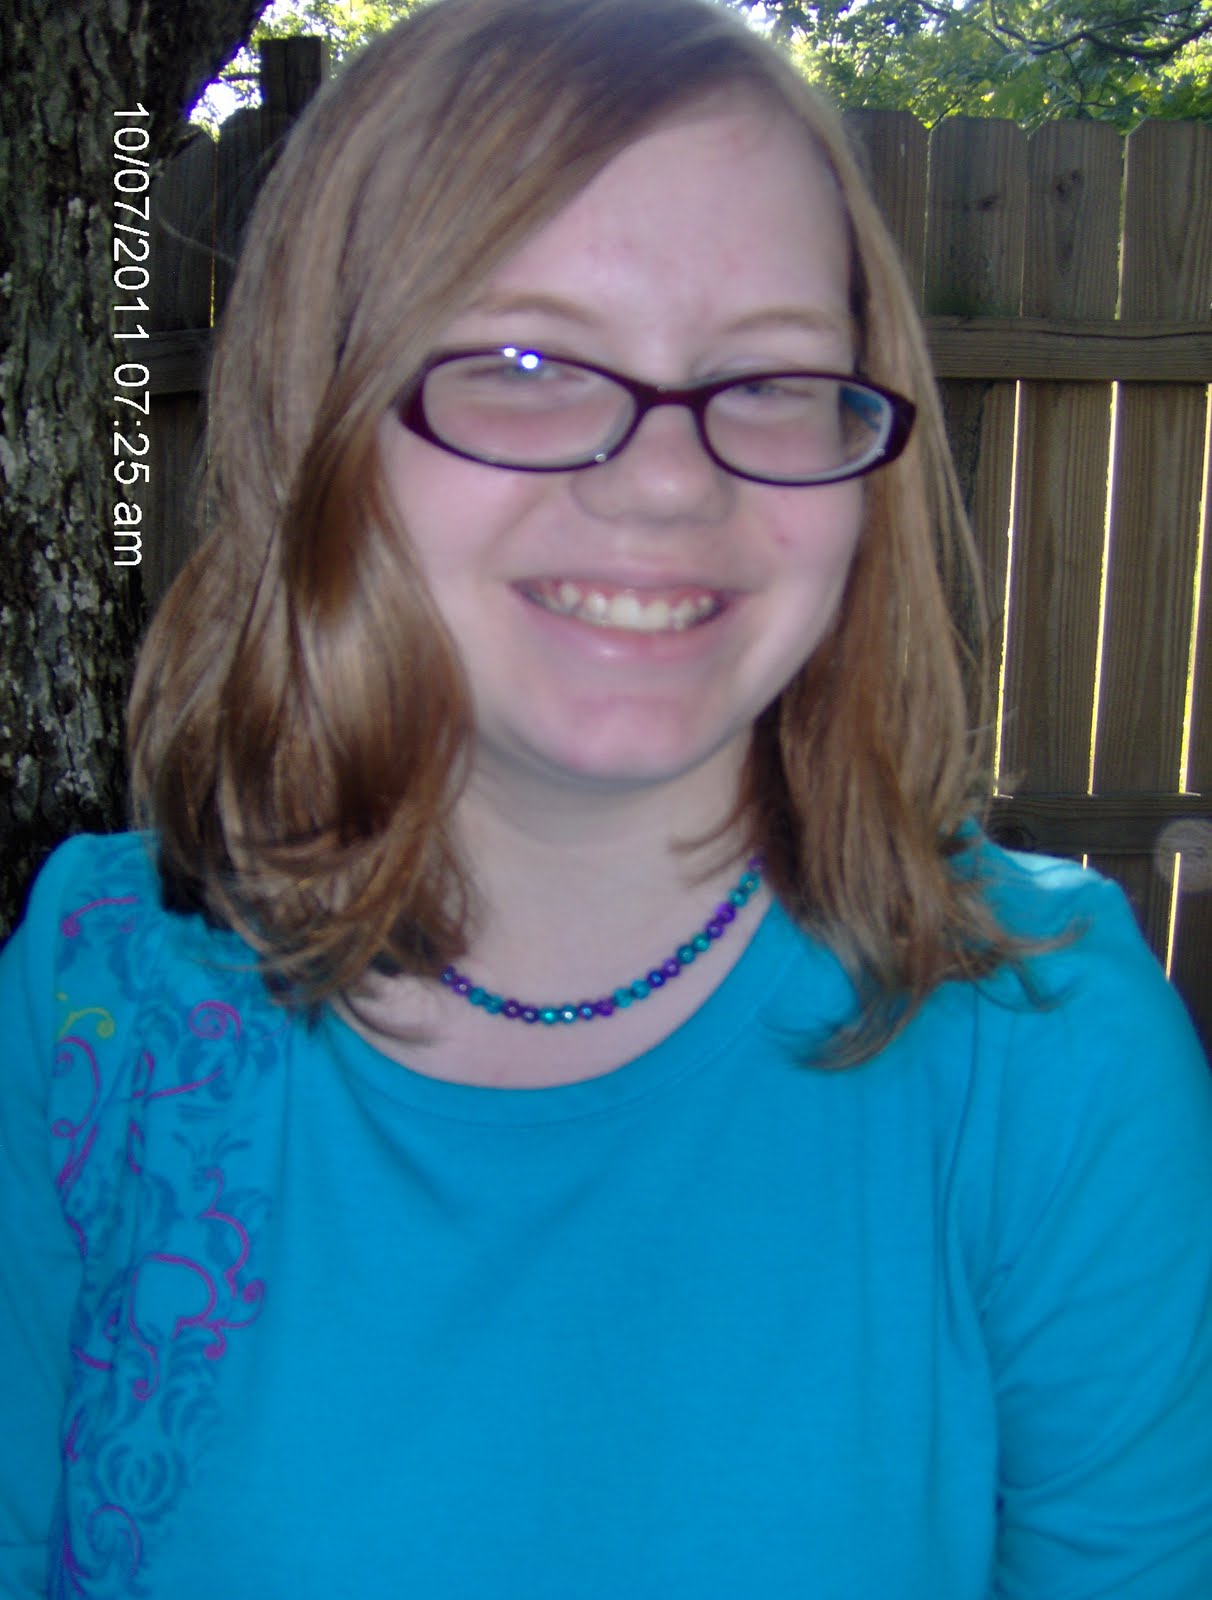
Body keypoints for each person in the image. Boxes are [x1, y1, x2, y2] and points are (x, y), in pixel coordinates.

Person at [3, 0, 1211, 1593]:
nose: (666, 480)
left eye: (772, 375)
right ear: (326, 416)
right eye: (525, 362)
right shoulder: (94, 998)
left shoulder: (1045, 1052)